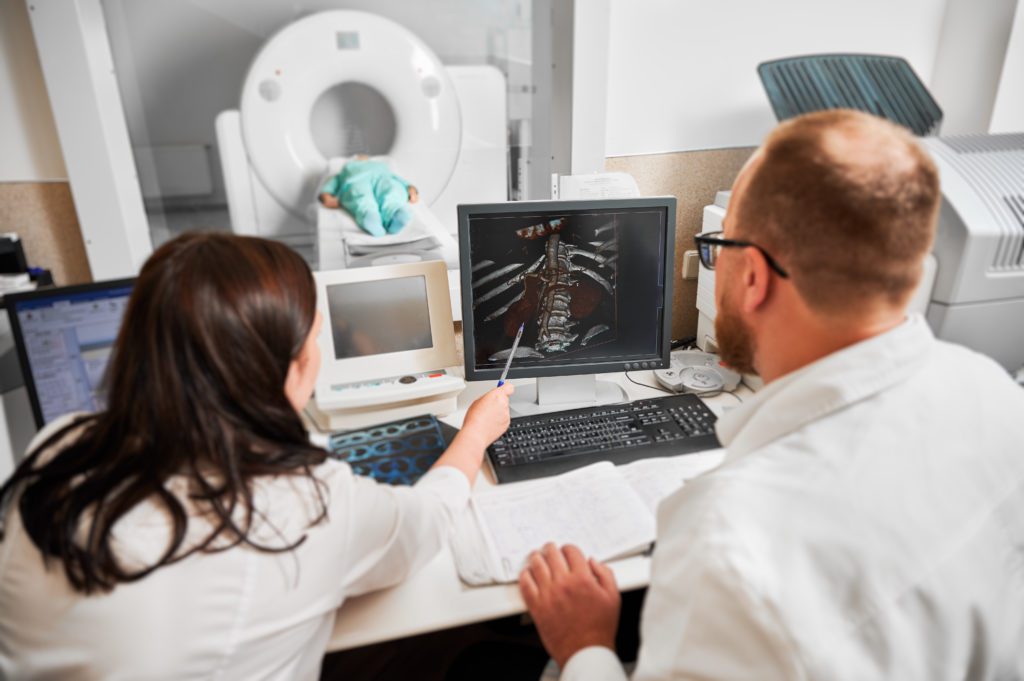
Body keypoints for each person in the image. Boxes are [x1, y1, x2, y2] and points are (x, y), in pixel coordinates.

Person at [519, 109, 1024, 679]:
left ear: (754, 278)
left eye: (718, 245)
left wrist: (584, 644)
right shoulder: (997, 396)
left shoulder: (727, 546)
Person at [0, 233, 513, 680]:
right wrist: (474, 433)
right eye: (314, 341)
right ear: (285, 370)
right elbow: (424, 523)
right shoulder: (304, 506)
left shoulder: (62, 445)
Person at [319, 155, 419, 237]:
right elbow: (332, 184)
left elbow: (396, 179)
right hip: (356, 180)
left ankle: (395, 214)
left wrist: (411, 189)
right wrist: (326, 196)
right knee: (360, 195)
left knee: (391, 190)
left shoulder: (381, 165)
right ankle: (369, 216)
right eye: (357, 156)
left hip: (382, 178)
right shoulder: (347, 169)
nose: (361, 156)